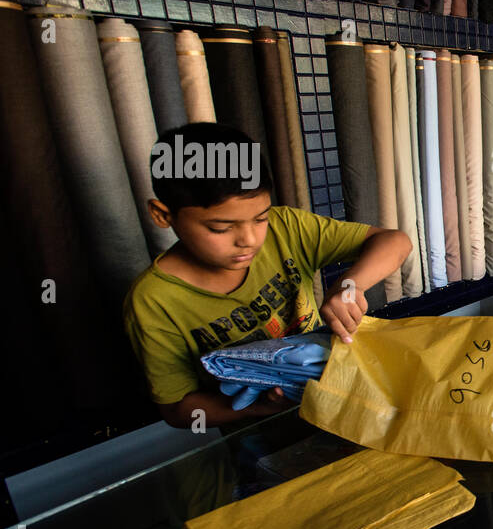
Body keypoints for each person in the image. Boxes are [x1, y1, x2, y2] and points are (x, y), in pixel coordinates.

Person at [123, 122, 412, 429]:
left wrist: (350, 285)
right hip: (255, 434)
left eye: (260, 218)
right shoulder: (153, 301)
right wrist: (263, 408)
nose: (249, 239)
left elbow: (395, 242)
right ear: (163, 215)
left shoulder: (285, 228)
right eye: (220, 228)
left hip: (337, 398)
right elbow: (179, 410)